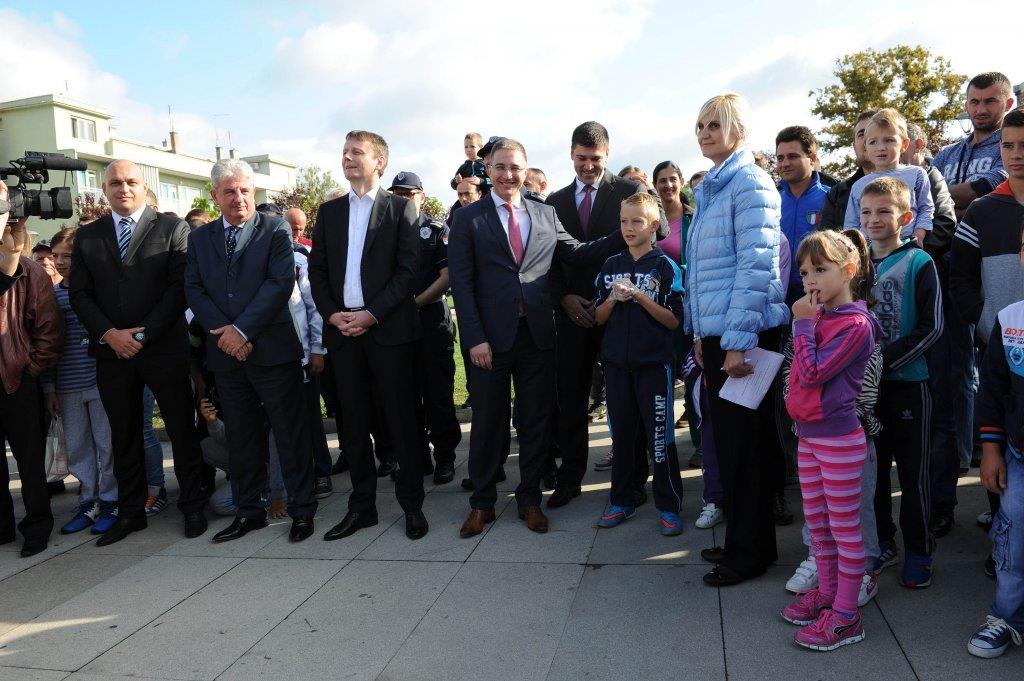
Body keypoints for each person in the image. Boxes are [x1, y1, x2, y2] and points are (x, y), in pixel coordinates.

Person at [449, 137, 625, 538]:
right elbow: (461, 283)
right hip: (489, 342)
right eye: (500, 167)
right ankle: (482, 503)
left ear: (526, 170)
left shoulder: (544, 214)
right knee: (489, 423)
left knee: (535, 421)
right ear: (487, 170)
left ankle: (529, 500)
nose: (508, 175)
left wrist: (626, 232)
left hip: (538, 336)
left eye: (515, 167)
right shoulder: (467, 219)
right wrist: (475, 338)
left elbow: (578, 253)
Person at [69, 160, 208, 546]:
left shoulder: (172, 227)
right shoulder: (89, 236)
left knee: (181, 430)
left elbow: (179, 287)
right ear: (105, 189)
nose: (123, 188)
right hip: (112, 353)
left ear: (144, 187)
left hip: (162, 348)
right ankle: (130, 513)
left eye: (131, 182)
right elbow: (80, 293)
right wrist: (109, 334)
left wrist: (143, 335)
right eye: (115, 183)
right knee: (124, 434)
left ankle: (193, 504)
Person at [685, 92, 790, 587]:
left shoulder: (750, 182)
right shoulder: (714, 187)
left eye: (714, 123)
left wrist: (734, 343)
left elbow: (756, 268)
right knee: (733, 446)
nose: (704, 132)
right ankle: (746, 543)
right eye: (700, 124)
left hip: (742, 336)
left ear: (739, 129)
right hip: (719, 334)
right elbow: (706, 271)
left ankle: (749, 553)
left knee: (746, 448)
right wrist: (700, 335)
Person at [185, 158, 318, 544]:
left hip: (273, 351)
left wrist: (241, 330)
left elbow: (278, 285)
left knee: (290, 436)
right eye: (229, 191)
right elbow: (195, 289)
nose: (238, 198)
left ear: (253, 192)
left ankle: (302, 510)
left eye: (244, 190)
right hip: (227, 356)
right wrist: (226, 335)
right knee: (242, 438)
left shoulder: (274, 229)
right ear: (215, 196)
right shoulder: (200, 238)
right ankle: (249, 512)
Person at [308, 130, 429, 541]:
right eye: (343, 151)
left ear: (379, 161)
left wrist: (372, 315)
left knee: (401, 422)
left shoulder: (400, 210)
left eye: (356, 152)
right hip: (343, 334)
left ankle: (412, 506)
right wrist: (333, 314)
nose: (347, 158)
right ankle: (362, 508)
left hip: (388, 333)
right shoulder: (329, 212)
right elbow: (317, 271)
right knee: (353, 426)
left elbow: (408, 272)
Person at [544, 121, 667, 510]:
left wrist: (598, 253)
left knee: (628, 401)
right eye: (581, 158)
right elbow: (546, 262)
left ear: (607, 155)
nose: (588, 166)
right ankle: (569, 476)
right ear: (571, 154)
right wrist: (564, 298)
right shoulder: (555, 202)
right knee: (572, 398)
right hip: (573, 314)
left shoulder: (631, 192)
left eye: (595, 159)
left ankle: (633, 479)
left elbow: (655, 234)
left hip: (622, 314)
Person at [779, 229, 879, 651]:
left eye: (820, 270)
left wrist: (802, 323)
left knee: (843, 528)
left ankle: (846, 616)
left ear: (849, 270)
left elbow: (814, 371)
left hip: (839, 440)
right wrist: (807, 323)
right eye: (805, 273)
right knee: (817, 525)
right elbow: (799, 371)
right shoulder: (818, 317)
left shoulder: (856, 324)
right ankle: (828, 596)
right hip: (810, 436)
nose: (811, 280)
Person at [862, 177, 943, 588]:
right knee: (873, 476)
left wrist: (881, 361)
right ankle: (883, 545)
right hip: (867, 394)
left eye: (884, 211)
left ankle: (919, 550)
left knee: (912, 477)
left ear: (906, 217)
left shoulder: (919, 262)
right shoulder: (855, 266)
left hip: (908, 385)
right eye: (867, 212)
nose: (874, 219)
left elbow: (932, 328)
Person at [592, 192, 685, 535]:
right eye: (623, 221)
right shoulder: (610, 265)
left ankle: (669, 504)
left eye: (637, 221)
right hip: (616, 367)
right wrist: (614, 300)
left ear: (654, 225)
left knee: (660, 438)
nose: (629, 228)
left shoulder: (665, 266)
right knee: (624, 439)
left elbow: (674, 321)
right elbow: (598, 317)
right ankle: (623, 499)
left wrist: (641, 296)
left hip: (653, 367)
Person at [969, 210, 1024, 657]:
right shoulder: (1011, 320)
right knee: (1013, 537)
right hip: (1017, 454)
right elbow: (992, 393)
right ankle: (1007, 617)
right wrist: (992, 449)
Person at [0, 181, 62, 557]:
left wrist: (29, 367)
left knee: (29, 460)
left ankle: (37, 525)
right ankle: (3, 527)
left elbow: (48, 328)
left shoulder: (28, 271)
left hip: (17, 379)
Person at [42, 227, 117, 535]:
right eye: (55, 256)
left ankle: (111, 501)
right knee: (78, 448)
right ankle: (88, 501)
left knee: (106, 445)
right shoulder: (50, 295)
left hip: (100, 380)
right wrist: (49, 387)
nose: (59, 262)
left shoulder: (99, 290)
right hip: (67, 385)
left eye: (67, 256)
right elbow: (45, 343)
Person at [388, 171, 461, 486]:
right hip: (398, 326)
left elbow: (446, 277)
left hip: (430, 320)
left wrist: (413, 303)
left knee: (438, 395)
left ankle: (445, 457)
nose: (404, 199)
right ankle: (418, 458)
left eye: (410, 193)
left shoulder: (436, 230)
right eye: (398, 194)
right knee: (406, 395)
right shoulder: (385, 232)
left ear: (422, 196)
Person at [844, 109, 934, 245]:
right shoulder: (858, 186)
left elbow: (926, 208)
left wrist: (919, 235)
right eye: (873, 142)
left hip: (907, 248)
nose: (881, 147)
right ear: (866, 147)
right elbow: (851, 225)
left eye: (888, 140)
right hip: (870, 255)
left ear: (904, 144)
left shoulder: (917, 174)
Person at [934, 72, 1015, 221]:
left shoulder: (1012, 149)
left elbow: (981, 193)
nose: (981, 110)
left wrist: (940, 210)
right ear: (966, 105)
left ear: (1008, 104)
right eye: (975, 102)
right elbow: (918, 193)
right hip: (940, 242)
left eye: (990, 101)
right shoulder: (947, 153)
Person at [775, 126, 829, 306]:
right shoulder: (771, 202)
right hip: (777, 297)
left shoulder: (831, 199)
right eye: (780, 158)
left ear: (812, 159)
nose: (785, 163)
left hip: (819, 298)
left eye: (793, 156)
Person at [821, 109, 877, 229]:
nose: (868, 139)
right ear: (854, 146)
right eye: (862, 134)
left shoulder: (915, 181)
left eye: (875, 132)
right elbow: (827, 242)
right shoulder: (836, 194)